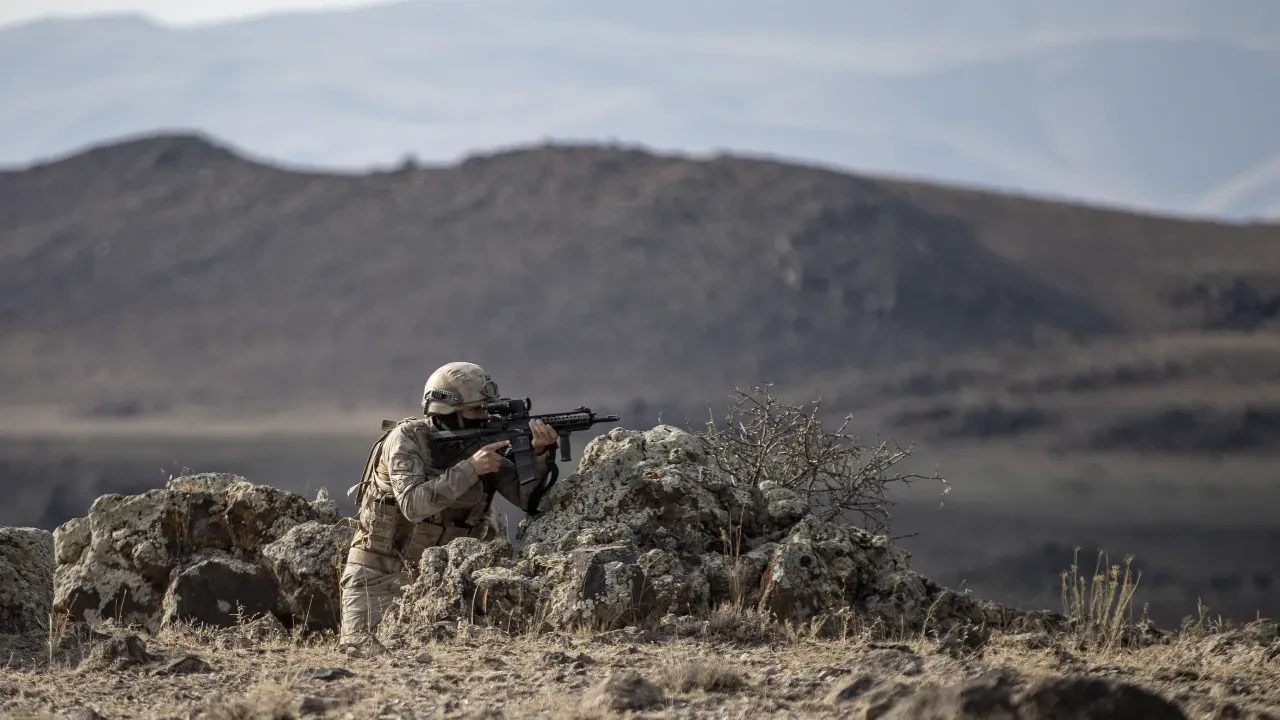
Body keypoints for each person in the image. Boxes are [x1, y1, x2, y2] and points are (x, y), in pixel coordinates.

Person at [338, 361, 559, 646]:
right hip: (379, 578)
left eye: (487, 408)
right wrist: (470, 469)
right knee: (364, 663)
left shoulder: (480, 444)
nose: (484, 416)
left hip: (444, 582)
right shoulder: (407, 440)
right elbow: (413, 506)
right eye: (475, 409)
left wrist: (538, 454)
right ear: (447, 411)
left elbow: (527, 500)